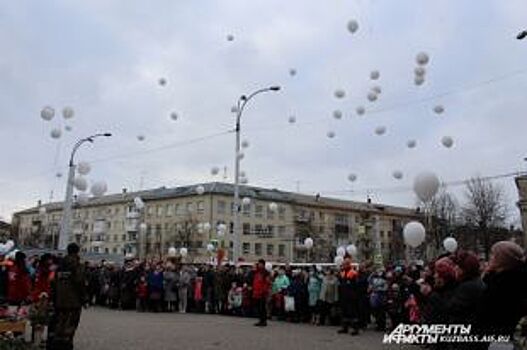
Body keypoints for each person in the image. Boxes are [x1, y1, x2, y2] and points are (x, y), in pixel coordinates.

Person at [477, 241, 527, 341]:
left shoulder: (510, 283)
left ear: (504, 259)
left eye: (494, 255)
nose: (490, 257)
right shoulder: (494, 277)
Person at [49, 243, 86, 350]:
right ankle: (66, 346)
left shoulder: (60, 265)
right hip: (73, 301)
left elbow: (54, 283)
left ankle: (56, 345)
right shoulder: (78, 265)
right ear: (77, 252)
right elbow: (80, 283)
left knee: (59, 324)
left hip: (59, 301)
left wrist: (54, 298)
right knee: (71, 325)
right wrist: (84, 299)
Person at [337, 257, 360, 335]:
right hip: (344, 296)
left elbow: (356, 286)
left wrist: (355, 296)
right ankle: (345, 327)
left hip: (351, 297)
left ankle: (355, 329)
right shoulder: (343, 273)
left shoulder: (353, 273)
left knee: (352, 313)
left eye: (345, 264)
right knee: (344, 312)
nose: (343, 265)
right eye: (343, 264)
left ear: (348, 264)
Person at [252, 259, 271, 327]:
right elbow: (255, 282)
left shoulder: (265, 273)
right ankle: (260, 320)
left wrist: (264, 291)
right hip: (256, 293)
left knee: (262, 308)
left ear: (263, 264)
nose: (259, 265)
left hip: (262, 293)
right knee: (258, 308)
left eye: (260, 263)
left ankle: (264, 321)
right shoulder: (257, 272)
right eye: (258, 263)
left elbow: (267, 283)